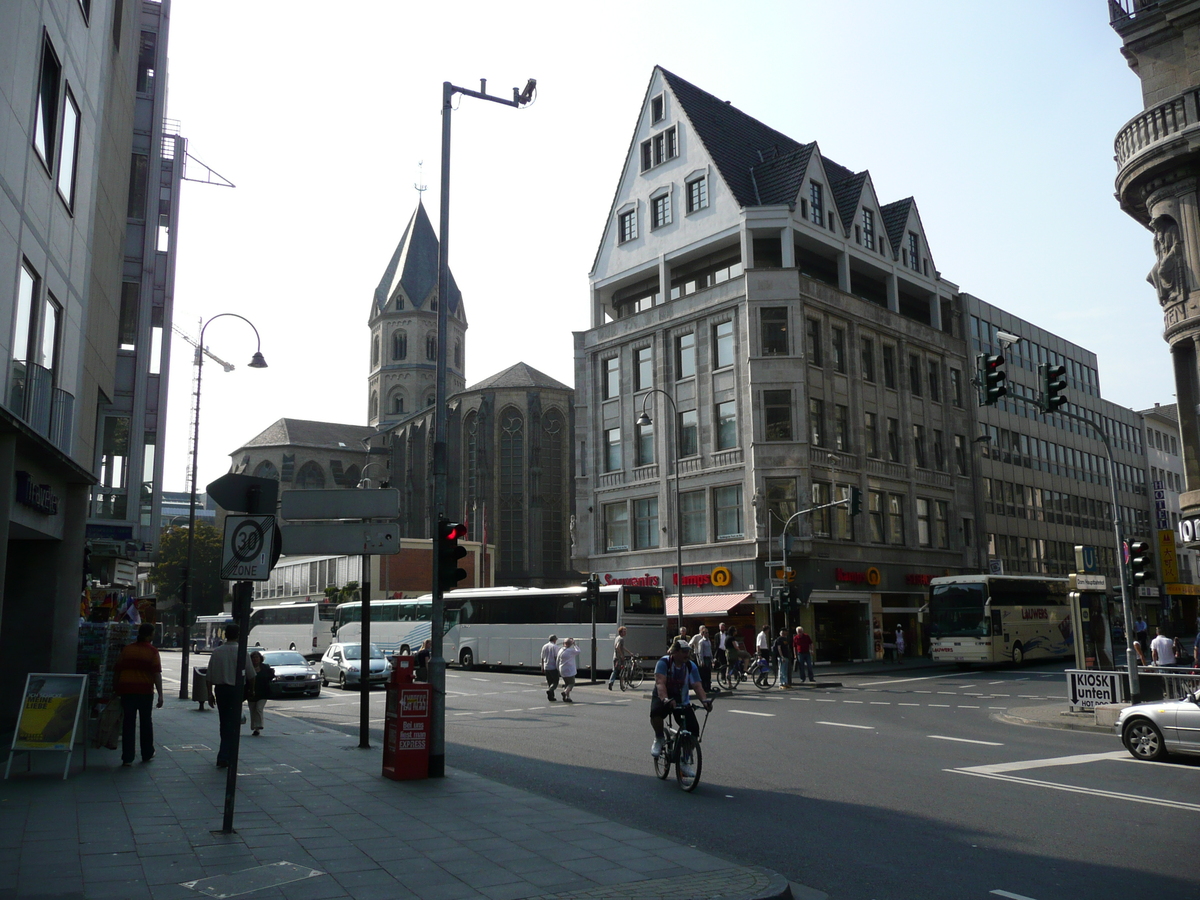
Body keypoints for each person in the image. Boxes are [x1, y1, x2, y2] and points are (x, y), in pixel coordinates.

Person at [650, 640, 712, 775]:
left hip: (681, 699)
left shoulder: (690, 666)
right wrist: (665, 700)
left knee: (693, 730)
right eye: (684, 652)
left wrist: (705, 701)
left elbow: (697, 686)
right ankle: (659, 737)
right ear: (675, 652)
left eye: (688, 652)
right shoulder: (664, 663)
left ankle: (685, 760)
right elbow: (660, 683)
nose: (687, 655)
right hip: (663, 694)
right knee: (656, 712)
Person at [112, 622, 163, 766]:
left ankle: (127, 756)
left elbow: (117, 671)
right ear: (149, 635)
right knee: (146, 722)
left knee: (128, 723)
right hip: (145, 691)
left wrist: (116, 688)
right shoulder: (152, 652)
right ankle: (147, 752)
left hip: (127, 691)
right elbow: (156, 674)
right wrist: (160, 694)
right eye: (153, 633)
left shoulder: (127, 650)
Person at [205, 623, 255, 769]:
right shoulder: (241, 651)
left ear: (225, 635)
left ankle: (224, 753)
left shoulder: (217, 651)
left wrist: (209, 694)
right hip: (236, 691)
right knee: (233, 724)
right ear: (238, 635)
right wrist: (251, 690)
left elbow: (209, 676)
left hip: (220, 691)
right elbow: (251, 675)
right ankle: (226, 755)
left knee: (224, 722)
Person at [247, 650, 274, 737]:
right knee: (252, 710)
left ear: (260, 658)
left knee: (259, 708)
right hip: (251, 692)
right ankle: (255, 728)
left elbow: (270, 677)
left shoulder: (265, 667)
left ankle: (258, 726)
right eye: (253, 657)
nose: (255, 659)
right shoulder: (248, 668)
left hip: (263, 692)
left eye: (257, 657)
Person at [607, 626, 633, 690]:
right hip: (619, 658)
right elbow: (618, 647)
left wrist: (629, 652)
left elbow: (622, 647)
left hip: (615, 657)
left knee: (615, 671)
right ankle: (622, 685)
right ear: (621, 632)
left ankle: (611, 682)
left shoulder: (617, 638)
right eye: (624, 631)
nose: (625, 632)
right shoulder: (621, 639)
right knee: (622, 671)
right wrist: (622, 655)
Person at [691, 626, 714, 693]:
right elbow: (700, 652)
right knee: (704, 674)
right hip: (704, 658)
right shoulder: (701, 642)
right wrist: (701, 661)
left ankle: (709, 687)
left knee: (709, 673)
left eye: (708, 633)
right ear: (703, 634)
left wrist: (712, 659)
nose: (707, 634)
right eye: (706, 633)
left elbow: (710, 651)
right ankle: (704, 687)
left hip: (708, 658)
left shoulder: (708, 641)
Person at [557, 637, 581, 702]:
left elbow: (557, 660)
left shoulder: (561, 650)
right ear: (570, 644)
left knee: (566, 684)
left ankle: (567, 697)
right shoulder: (570, 651)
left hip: (562, 669)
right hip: (569, 669)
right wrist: (575, 644)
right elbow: (578, 651)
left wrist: (557, 668)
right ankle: (565, 692)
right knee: (571, 683)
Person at [540, 634, 560, 701]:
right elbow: (556, 657)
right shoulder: (555, 647)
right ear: (554, 640)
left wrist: (542, 666)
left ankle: (551, 696)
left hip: (546, 666)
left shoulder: (544, 646)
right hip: (553, 666)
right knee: (555, 682)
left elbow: (542, 657)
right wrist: (558, 666)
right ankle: (550, 690)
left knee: (550, 682)